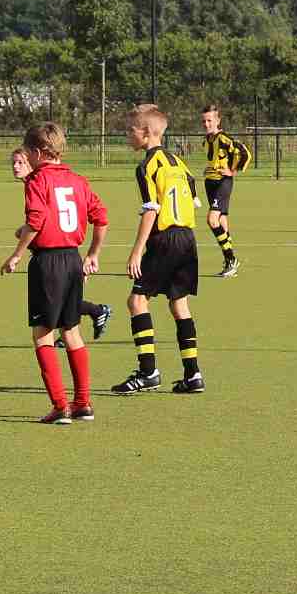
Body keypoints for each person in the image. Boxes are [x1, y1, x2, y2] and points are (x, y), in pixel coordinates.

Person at [0, 121, 108, 424]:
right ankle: (83, 403)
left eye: (27, 153)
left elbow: (36, 220)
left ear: (37, 152)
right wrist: (93, 254)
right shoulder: (78, 180)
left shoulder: (37, 180)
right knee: (71, 332)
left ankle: (60, 406)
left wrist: (16, 254)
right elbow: (101, 218)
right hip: (73, 260)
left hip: (47, 263)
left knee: (42, 334)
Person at [113, 104, 206, 396]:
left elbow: (152, 210)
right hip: (187, 237)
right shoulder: (179, 163)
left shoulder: (146, 166)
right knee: (179, 304)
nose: (128, 135)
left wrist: (137, 250)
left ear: (146, 132)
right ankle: (193, 375)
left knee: (137, 301)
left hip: (165, 239)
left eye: (130, 130)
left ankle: (148, 372)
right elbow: (194, 200)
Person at [197, 103, 246, 278]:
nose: (206, 124)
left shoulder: (224, 138)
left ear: (218, 121)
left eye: (209, 120)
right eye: (204, 121)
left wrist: (232, 171)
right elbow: (216, 160)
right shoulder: (206, 141)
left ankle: (231, 258)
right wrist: (209, 169)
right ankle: (229, 263)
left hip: (222, 183)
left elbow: (243, 152)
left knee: (212, 220)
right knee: (221, 219)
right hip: (210, 183)